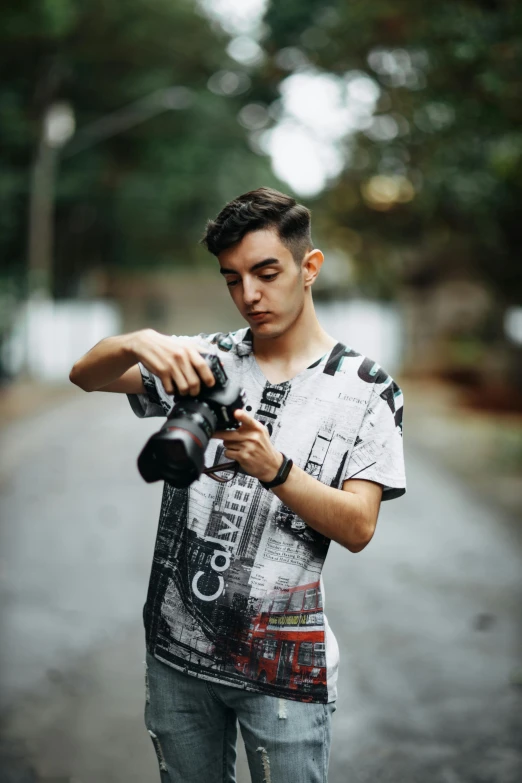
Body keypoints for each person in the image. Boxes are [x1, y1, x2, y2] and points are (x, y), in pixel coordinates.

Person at [69, 187, 407, 783]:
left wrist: (276, 470)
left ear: (310, 267)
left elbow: (359, 527)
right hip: (176, 658)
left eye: (266, 272)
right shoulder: (207, 359)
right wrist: (132, 341)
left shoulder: (367, 388)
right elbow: (85, 375)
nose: (249, 295)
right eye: (232, 279)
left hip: (283, 674)